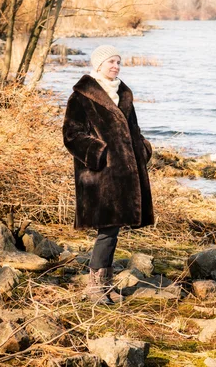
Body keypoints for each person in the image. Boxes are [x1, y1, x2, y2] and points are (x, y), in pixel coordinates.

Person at [62, 44, 154, 303]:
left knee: (113, 229)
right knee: (107, 229)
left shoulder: (123, 94)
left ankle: (106, 284)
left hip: (125, 172)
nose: (115, 66)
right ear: (98, 65)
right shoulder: (83, 95)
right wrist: (98, 153)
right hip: (99, 175)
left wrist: (143, 149)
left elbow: (133, 129)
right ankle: (94, 287)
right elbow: (71, 134)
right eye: (110, 62)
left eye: (118, 61)